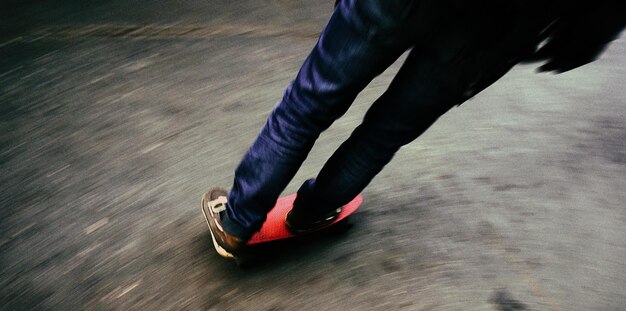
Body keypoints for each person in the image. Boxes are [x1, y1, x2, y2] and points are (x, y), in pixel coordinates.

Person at [202, 0, 625, 258]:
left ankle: (238, 222)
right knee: (383, 134)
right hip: (498, 30)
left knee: (306, 105)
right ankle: (312, 212)